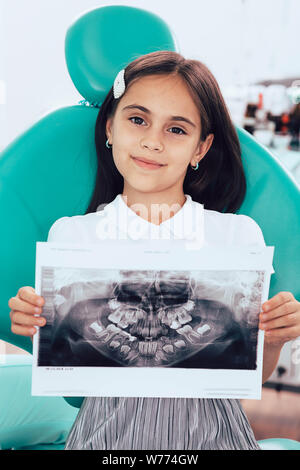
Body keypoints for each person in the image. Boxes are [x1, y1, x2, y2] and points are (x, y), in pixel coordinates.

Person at [8, 51, 300, 450]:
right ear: (110, 127)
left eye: (176, 129)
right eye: (137, 119)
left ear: (201, 148)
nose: (151, 141)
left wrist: (274, 338)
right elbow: (72, 388)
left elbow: (248, 377)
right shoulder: (73, 239)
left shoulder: (237, 237)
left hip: (214, 439)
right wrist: (39, 327)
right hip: (104, 439)